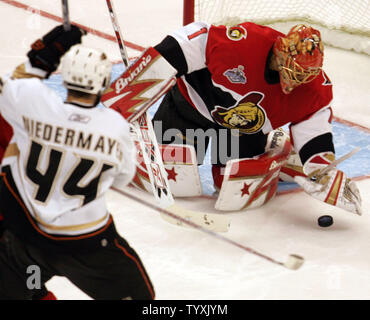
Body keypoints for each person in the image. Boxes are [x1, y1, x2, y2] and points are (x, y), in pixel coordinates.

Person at [0, 25, 154, 300]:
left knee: (18, 286)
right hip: (88, 245)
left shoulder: (36, 105)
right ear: (104, 83)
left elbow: (18, 85)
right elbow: (123, 176)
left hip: (28, 239)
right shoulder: (113, 127)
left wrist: (43, 56)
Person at [147, 22, 362, 214]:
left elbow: (313, 126)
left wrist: (321, 170)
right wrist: (152, 69)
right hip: (193, 102)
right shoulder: (246, 42)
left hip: (238, 129)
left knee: (233, 192)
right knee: (169, 175)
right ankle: (276, 146)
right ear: (281, 55)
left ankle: (281, 154)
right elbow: (195, 40)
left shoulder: (312, 89)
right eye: (295, 71)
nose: (299, 81)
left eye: (306, 75)